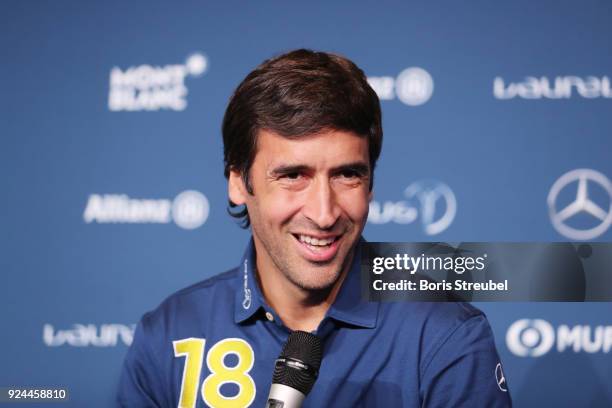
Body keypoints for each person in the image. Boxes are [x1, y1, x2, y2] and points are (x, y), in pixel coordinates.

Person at [117, 49, 512, 407]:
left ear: (371, 183)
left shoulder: (444, 336)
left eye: (346, 175)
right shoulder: (169, 334)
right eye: (293, 176)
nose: (324, 214)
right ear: (239, 181)